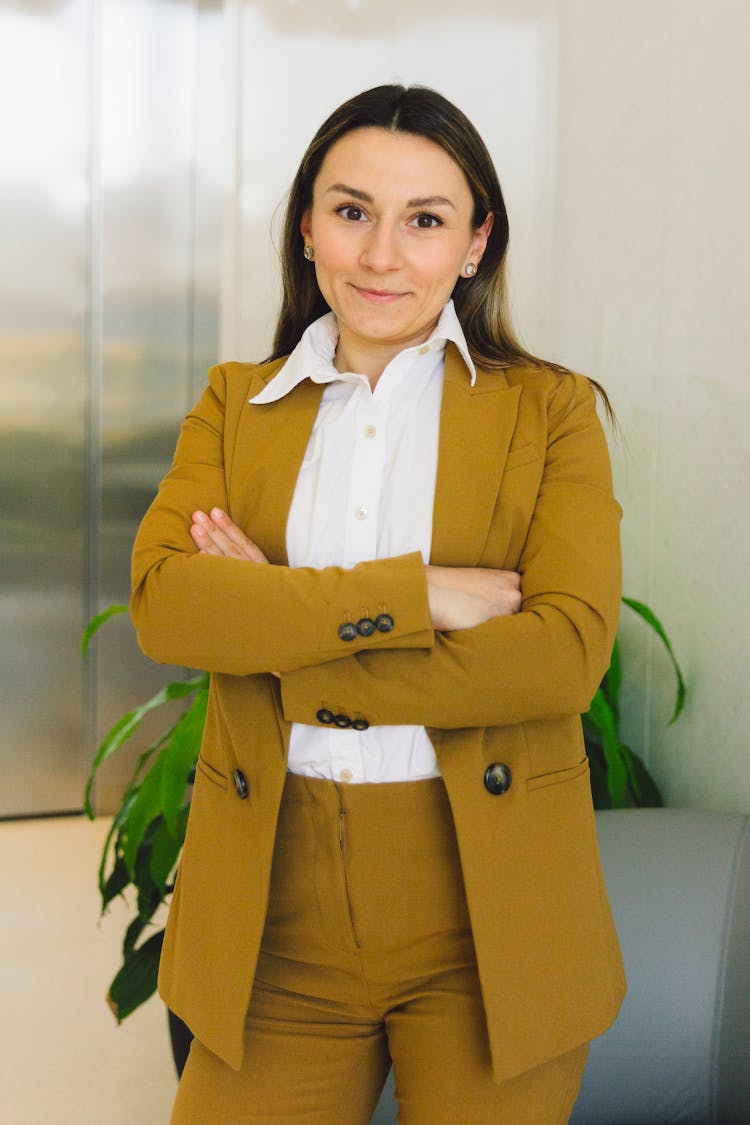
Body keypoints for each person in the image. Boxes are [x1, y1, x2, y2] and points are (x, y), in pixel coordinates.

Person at [130, 84, 625, 1124]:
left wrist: (276, 620)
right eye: (352, 211)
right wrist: (416, 595)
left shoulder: (553, 412)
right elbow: (170, 606)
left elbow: (562, 656)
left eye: (427, 220)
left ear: (476, 243)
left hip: (487, 919)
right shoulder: (235, 404)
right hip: (274, 912)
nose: (382, 256)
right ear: (307, 226)